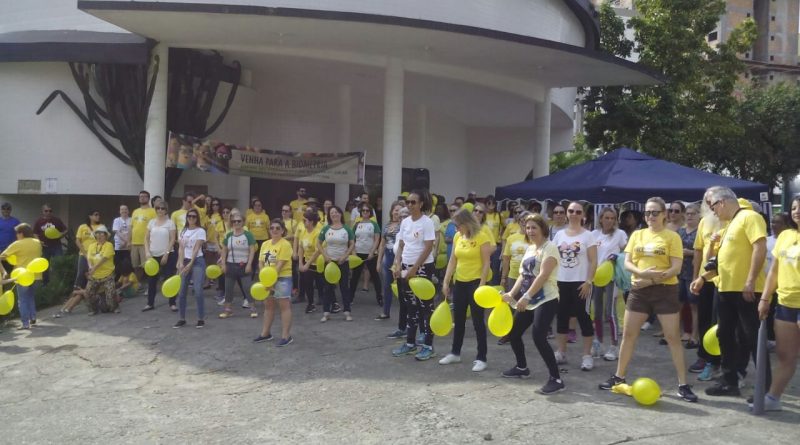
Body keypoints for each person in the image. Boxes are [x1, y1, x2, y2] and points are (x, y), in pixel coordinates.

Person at [598, 197, 698, 403]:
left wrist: (651, 278)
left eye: (655, 212)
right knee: (629, 334)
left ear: (664, 214)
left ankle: (683, 384)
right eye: (647, 213)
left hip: (665, 291)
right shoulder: (637, 235)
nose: (650, 216)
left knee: (672, 337)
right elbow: (627, 262)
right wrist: (642, 274)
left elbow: (676, 268)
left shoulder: (672, 237)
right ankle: (619, 377)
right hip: (639, 291)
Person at [698, 187, 769, 398]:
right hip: (725, 288)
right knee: (725, 335)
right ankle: (729, 381)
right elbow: (722, 261)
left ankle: (765, 389)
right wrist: (702, 278)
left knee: (752, 337)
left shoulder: (750, 217)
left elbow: (760, 247)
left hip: (745, 289)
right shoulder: (729, 225)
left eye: (713, 207)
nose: (713, 212)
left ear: (722, 202)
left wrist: (750, 280)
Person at [500, 214, 565, 394]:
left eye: (534, 227)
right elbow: (523, 274)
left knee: (538, 337)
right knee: (513, 333)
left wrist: (526, 296)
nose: (530, 231)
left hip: (546, 299)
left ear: (543, 229)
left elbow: (543, 275)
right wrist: (511, 293)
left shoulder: (550, 248)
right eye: (527, 228)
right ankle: (522, 368)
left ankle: (556, 379)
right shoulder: (530, 249)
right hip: (529, 299)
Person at [755, 196, 800, 411]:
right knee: (785, 356)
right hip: (785, 304)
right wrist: (765, 298)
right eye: (793, 207)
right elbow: (774, 271)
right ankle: (773, 399)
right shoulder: (785, 236)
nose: (796, 211)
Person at [439, 208, 493, 371]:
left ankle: (481, 357)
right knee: (459, 319)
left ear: (467, 223)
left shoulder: (482, 237)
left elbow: (486, 263)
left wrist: (482, 285)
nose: (456, 228)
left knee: (477, 321)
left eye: (458, 225)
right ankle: (455, 353)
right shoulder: (458, 237)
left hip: (476, 283)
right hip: (460, 282)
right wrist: (446, 281)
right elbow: (452, 261)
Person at [391, 191, 437, 361]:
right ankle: (410, 343)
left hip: (423, 267)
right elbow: (401, 244)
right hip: (405, 266)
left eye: (413, 202)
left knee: (426, 307)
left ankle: (428, 345)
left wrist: (414, 268)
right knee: (410, 305)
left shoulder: (427, 223)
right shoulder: (405, 222)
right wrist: (397, 264)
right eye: (407, 202)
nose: (409, 205)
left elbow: (428, 248)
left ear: (421, 204)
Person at [552, 201, 597, 370]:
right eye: (571, 211)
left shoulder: (588, 236)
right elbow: (554, 258)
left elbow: (594, 261)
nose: (574, 214)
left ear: (583, 215)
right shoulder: (559, 235)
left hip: (581, 283)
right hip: (561, 281)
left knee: (583, 317)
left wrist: (588, 281)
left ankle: (587, 355)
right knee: (562, 317)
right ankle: (561, 352)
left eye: (578, 212)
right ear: (566, 213)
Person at [687, 202, 724, 380]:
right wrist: (696, 276)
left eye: (713, 201)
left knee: (716, 321)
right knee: (703, 319)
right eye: (707, 201)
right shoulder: (704, 222)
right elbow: (698, 251)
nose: (710, 205)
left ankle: (716, 361)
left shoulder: (729, 220)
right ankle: (703, 356)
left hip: (721, 279)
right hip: (703, 279)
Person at [590, 207, 628, 361]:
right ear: (601, 219)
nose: (610, 221)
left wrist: (617, 256)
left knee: (610, 312)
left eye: (613, 218)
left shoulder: (620, 234)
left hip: (611, 277)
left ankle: (614, 345)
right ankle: (598, 342)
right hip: (595, 277)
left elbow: (627, 253)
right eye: (607, 218)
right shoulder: (594, 234)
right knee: (596, 311)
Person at [254, 219, 294, 346]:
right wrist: (263, 277)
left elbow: (280, 264)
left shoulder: (285, 244)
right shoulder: (265, 244)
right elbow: (261, 261)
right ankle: (265, 333)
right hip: (267, 279)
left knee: (284, 305)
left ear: (283, 230)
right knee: (268, 305)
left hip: (282, 277)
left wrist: (271, 279)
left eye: (278, 228)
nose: (275, 230)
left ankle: (286, 336)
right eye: (272, 228)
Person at [0, 223, 42, 329]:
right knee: (31, 297)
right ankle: (33, 317)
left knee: (22, 299)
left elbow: (2, 256)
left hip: (22, 276)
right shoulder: (37, 242)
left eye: (17, 233)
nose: (16, 235)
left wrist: (11, 258)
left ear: (21, 233)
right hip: (36, 275)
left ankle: (25, 323)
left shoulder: (17, 244)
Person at [317, 206, 355, 322]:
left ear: (340, 214)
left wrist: (345, 256)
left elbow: (352, 244)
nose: (334, 214)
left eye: (336, 212)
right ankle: (326, 312)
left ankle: (347, 311)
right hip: (329, 262)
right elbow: (318, 243)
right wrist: (325, 256)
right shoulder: (326, 229)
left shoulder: (347, 229)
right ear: (329, 216)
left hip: (343, 261)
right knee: (327, 287)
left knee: (344, 287)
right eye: (332, 213)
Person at [218, 211, 257, 319]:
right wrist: (223, 264)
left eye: (239, 221)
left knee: (247, 287)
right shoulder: (229, 235)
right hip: (230, 264)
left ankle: (253, 308)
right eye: (234, 221)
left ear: (243, 222)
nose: (236, 223)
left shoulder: (248, 235)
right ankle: (228, 310)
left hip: (244, 264)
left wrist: (249, 264)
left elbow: (252, 250)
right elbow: (224, 250)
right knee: (228, 289)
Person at [173, 209, 207, 328]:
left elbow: (196, 248)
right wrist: (180, 262)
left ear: (197, 218)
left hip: (197, 260)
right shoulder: (183, 230)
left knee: (198, 290)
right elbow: (181, 248)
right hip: (185, 260)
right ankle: (182, 318)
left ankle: (200, 318)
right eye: (189, 216)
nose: (191, 218)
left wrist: (190, 263)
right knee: (182, 291)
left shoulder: (200, 231)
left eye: (194, 216)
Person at [143, 202, 177, 312]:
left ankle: (172, 303)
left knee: (169, 279)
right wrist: (147, 252)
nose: (160, 210)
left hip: (167, 255)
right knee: (152, 281)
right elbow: (146, 239)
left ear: (166, 210)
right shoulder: (151, 222)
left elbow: (172, 239)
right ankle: (150, 303)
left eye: (163, 208)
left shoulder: (170, 223)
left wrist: (166, 254)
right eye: (158, 208)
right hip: (153, 256)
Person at [350, 203, 383, 307]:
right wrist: (354, 252)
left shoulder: (374, 224)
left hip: (371, 254)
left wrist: (372, 252)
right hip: (358, 253)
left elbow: (377, 239)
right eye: (363, 210)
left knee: (375, 276)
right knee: (354, 277)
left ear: (370, 213)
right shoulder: (356, 224)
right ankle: (350, 298)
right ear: (361, 212)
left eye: (367, 211)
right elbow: (352, 240)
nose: (365, 212)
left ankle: (379, 298)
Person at [677, 204, 700, 348]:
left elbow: (702, 251)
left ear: (699, 215)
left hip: (693, 273)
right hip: (680, 272)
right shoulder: (680, 231)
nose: (690, 216)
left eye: (693, 213)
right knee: (678, 304)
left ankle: (694, 336)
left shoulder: (700, 231)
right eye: (688, 213)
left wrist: (689, 253)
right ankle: (677, 333)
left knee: (694, 306)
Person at [377, 202, 404, 323]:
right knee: (387, 285)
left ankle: (404, 314)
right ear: (391, 211)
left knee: (401, 286)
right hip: (387, 256)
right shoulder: (387, 225)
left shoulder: (404, 225)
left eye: (399, 210)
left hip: (399, 256)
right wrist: (378, 261)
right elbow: (382, 244)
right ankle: (385, 312)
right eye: (395, 210)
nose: (397, 212)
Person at [84, 225, 118, 314]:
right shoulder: (91, 246)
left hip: (107, 274)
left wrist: (94, 268)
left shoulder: (109, 245)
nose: (99, 236)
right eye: (97, 234)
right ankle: (93, 309)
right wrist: (90, 267)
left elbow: (104, 259)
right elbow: (89, 258)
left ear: (106, 236)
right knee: (88, 293)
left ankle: (114, 307)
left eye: (102, 234)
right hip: (94, 275)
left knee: (110, 294)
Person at [297, 209, 324, 314]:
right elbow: (300, 248)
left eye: (305, 220)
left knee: (321, 283)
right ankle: (311, 303)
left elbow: (318, 251)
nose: (303, 222)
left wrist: (307, 264)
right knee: (307, 283)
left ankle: (326, 300)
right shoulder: (303, 232)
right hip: (307, 261)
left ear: (311, 222)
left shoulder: (317, 233)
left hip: (318, 263)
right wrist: (301, 262)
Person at [32, 204, 67, 283]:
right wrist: (39, 242)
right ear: (43, 211)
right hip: (45, 246)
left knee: (59, 263)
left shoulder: (57, 220)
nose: (48, 212)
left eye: (50, 211)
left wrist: (60, 235)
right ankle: (45, 283)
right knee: (45, 265)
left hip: (56, 246)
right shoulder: (39, 221)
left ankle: (59, 282)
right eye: (46, 211)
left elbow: (65, 230)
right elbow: (35, 233)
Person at [131, 191, 157, 283]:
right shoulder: (135, 211)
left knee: (146, 266)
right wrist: (129, 241)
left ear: (148, 198)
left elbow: (155, 227)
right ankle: (138, 284)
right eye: (140, 196)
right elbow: (132, 227)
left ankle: (150, 285)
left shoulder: (153, 211)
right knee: (135, 265)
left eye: (144, 196)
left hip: (146, 243)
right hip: (134, 243)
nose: (142, 198)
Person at [75, 210, 103, 290]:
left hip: (96, 254)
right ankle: (77, 290)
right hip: (84, 254)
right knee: (81, 273)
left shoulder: (101, 227)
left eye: (99, 215)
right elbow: (77, 240)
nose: (98, 216)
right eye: (96, 215)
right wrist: (84, 253)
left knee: (95, 273)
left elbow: (104, 240)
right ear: (90, 216)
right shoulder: (82, 227)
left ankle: (93, 291)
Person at [245, 199, 270, 282]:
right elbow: (246, 230)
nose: (257, 207)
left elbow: (269, 229)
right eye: (256, 205)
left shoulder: (265, 216)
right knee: (253, 259)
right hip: (253, 241)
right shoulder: (249, 217)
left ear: (261, 207)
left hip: (264, 240)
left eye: (259, 205)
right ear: (253, 207)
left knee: (263, 259)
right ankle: (250, 278)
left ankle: (263, 277)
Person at [281, 205, 301, 300]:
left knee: (293, 270)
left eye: (286, 211)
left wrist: (284, 238)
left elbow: (296, 236)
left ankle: (295, 288)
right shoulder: (279, 222)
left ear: (290, 212)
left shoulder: (293, 222)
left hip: (291, 248)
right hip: (280, 249)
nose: (284, 212)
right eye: (283, 210)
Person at [484, 195, 503, 285]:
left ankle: (494, 287)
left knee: (495, 268)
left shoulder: (498, 215)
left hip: (496, 245)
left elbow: (503, 227)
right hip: (485, 245)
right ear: (485, 204)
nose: (491, 205)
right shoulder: (483, 215)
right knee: (485, 267)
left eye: (493, 203)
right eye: (489, 203)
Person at [112, 205, 132, 280]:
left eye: (126, 209)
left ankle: (127, 281)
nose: (124, 211)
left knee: (128, 265)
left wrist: (128, 242)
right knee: (118, 265)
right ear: (119, 211)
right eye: (122, 209)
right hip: (119, 246)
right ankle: (118, 281)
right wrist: (125, 241)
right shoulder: (117, 220)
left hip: (129, 246)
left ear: (128, 211)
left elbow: (132, 231)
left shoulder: (131, 219)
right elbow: (116, 231)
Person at [0, 202, 20, 276]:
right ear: (1, 210)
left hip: (12, 249)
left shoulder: (16, 221)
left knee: (11, 269)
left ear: (10, 210)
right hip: (0, 249)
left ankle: (11, 285)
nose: (6, 210)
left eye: (8, 209)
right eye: (4, 209)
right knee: (1, 270)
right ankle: (2, 286)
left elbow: (20, 234)